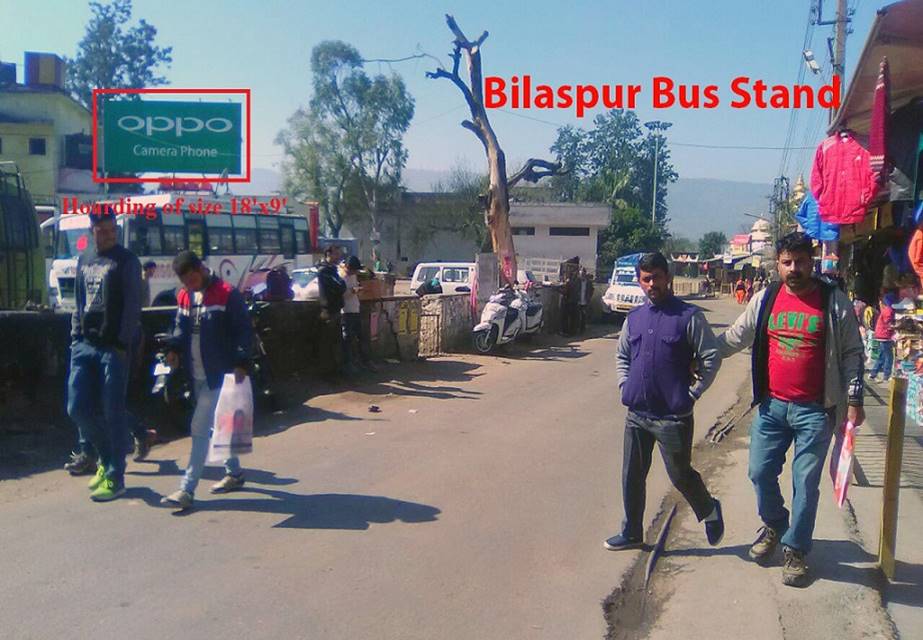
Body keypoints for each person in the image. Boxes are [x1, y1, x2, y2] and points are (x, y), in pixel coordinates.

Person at [717, 232, 865, 588]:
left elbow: (852, 353)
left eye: (800, 262)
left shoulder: (833, 301)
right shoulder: (766, 298)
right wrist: (698, 355)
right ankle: (775, 523)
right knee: (758, 472)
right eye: (787, 262)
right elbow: (736, 336)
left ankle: (796, 549)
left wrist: (855, 400)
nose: (794, 269)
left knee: (805, 483)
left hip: (816, 411)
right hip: (772, 407)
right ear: (778, 263)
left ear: (811, 262)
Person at [607, 252, 724, 551]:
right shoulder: (634, 318)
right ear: (639, 281)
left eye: (657, 277)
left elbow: (711, 358)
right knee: (632, 475)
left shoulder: (689, 317)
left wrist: (693, 393)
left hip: (673, 416)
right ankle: (632, 532)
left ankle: (709, 508)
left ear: (667, 277)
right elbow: (622, 356)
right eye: (646, 279)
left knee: (680, 474)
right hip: (637, 413)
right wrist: (624, 384)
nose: (651, 285)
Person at [160, 251, 253, 510]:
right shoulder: (185, 296)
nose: (189, 286)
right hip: (196, 374)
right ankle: (234, 473)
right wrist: (174, 349)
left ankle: (186, 489)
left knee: (199, 427)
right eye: (185, 282)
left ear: (200, 269)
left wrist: (241, 361)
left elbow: (243, 330)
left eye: (191, 279)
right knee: (218, 424)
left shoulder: (226, 294)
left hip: (221, 375)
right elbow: (179, 327)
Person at [65, 211, 141, 501]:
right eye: (103, 230)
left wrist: (121, 343)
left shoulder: (126, 261)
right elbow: (79, 300)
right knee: (77, 408)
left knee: (112, 412)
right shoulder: (84, 259)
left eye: (112, 230)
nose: (109, 234)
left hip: (113, 348)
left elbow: (134, 304)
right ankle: (106, 460)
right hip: (84, 344)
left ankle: (115, 476)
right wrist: (76, 336)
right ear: (93, 231)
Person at [316, 246, 347, 375]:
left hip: (335, 309)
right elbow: (339, 286)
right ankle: (328, 372)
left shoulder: (333, 270)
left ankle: (336, 370)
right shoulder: (325, 271)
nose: (338, 257)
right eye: (336, 254)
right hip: (329, 310)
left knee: (336, 342)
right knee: (329, 343)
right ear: (328, 254)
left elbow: (341, 285)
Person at [341, 256, 369, 374]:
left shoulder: (353, 276)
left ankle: (363, 361)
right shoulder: (341, 277)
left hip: (355, 309)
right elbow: (341, 294)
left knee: (361, 337)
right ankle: (348, 364)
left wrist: (356, 290)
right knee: (347, 339)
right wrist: (352, 291)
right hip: (346, 311)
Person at [869, 290, 896, 382]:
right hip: (885, 336)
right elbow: (889, 323)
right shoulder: (889, 310)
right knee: (889, 357)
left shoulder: (885, 310)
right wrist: (897, 326)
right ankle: (886, 376)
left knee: (882, 356)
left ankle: (873, 373)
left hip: (881, 335)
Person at [578, 267, 594, 334]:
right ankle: (577, 329)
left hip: (585, 302)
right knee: (577, 316)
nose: (582, 276)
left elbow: (592, 290)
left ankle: (582, 330)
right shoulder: (578, 281)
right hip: (578, 301)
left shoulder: (588, 283)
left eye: (583, 274)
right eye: (581, 274)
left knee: (584, 316)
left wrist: (589, 297)